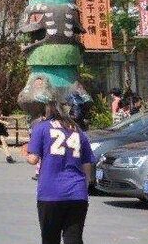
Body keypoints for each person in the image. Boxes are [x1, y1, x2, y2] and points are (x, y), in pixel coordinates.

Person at [26, 101, 95, 244]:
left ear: (49, 108)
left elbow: (33, 159)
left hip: (50, 192)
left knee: (50, 238)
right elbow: (87, 162)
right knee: (74, 238)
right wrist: (85, 184)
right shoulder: (77, 130)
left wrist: (27, 153)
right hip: (77, 192)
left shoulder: (41, 127)